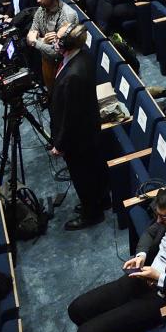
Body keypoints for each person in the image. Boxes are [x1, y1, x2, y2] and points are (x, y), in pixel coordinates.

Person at [68, 185, 166, 332]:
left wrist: (159, 277)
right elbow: (150, 232)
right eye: (158, 215)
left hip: (162, 295)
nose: (158, 220)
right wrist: (141, 255)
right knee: (77, 309)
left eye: (163, 217)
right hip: (142, 276)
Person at [49, 28, 105, 230]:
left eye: (59, 38)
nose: (55, 39)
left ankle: (92, 214)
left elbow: (70, 117)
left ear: (67, 43)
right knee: (92, 172)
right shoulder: (83, 55)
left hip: (79, 137)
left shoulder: (74, 74)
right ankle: (98, 202)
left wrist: (60, 143)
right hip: (88, 128)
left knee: (83, 175)